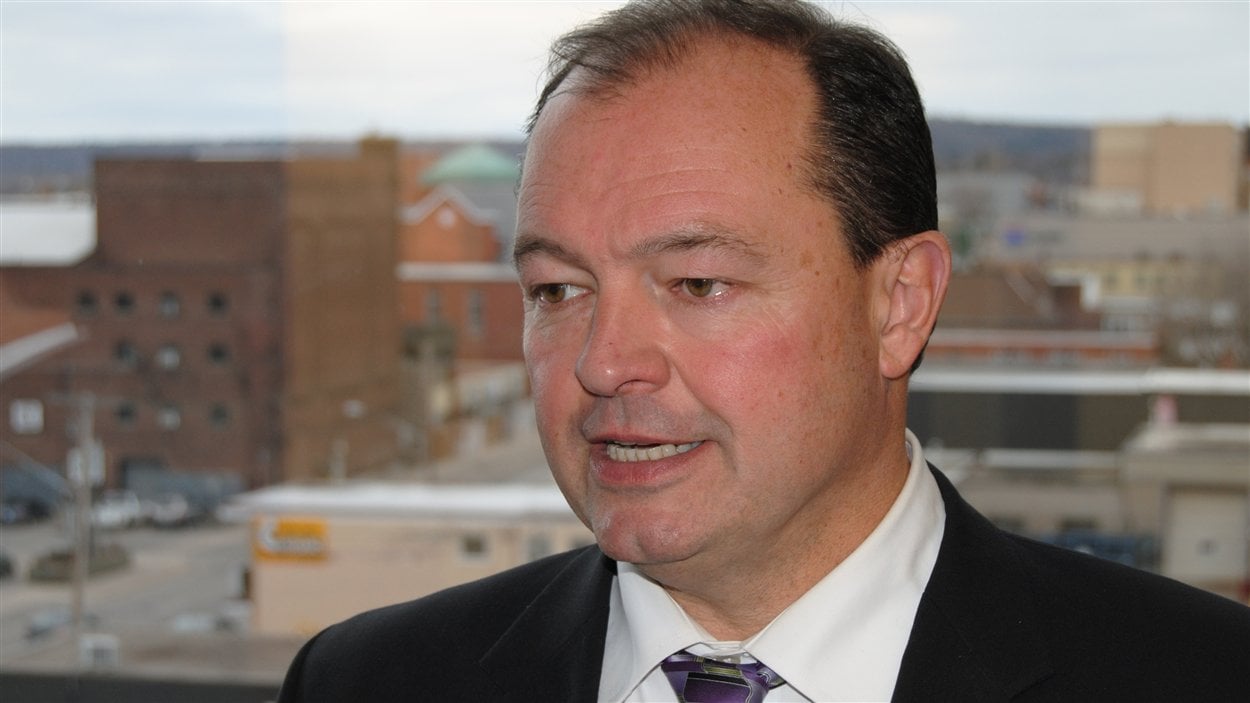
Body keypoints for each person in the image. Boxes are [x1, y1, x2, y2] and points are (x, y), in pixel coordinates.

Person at [278, 1, 1250, 701]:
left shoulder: (1199, 675)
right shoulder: (367, 681)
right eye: (557, 290)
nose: (602, 362)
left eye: (697, 283)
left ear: (899, 304)